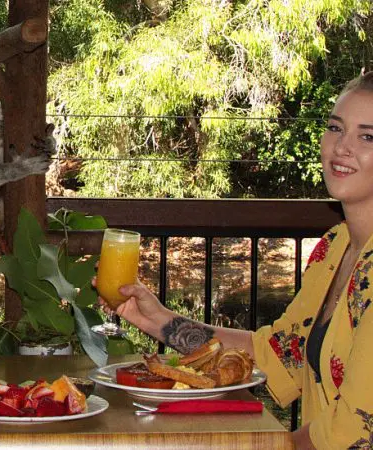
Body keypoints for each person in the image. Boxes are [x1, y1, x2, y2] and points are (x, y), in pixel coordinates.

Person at [96, 71, 373, 450]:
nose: (342, 147)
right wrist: (158, 320)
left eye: (367, 136)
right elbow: (279, 353)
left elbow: (356, 430)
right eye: (335, 128)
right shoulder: (334, 247)